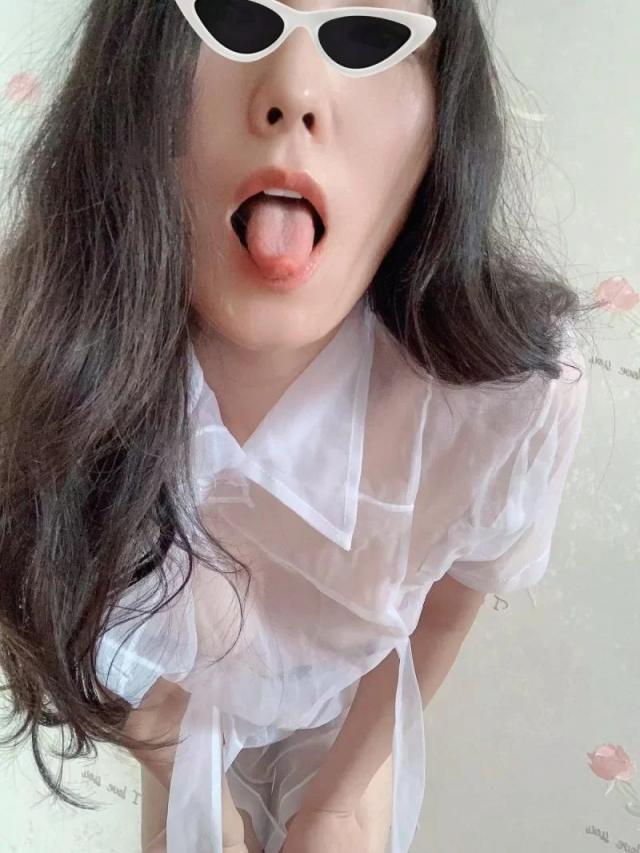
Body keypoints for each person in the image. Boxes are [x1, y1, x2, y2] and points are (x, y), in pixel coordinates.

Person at [0, 1, 599, 852]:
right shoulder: (38, 360)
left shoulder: (501, 399)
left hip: (350, 703)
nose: (295, 93)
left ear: (444, 113)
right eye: (234, 17)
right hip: (176, 699)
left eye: (368, 36)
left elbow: (442, 605)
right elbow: (75, 611)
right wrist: (192, 783)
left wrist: (338, 801)